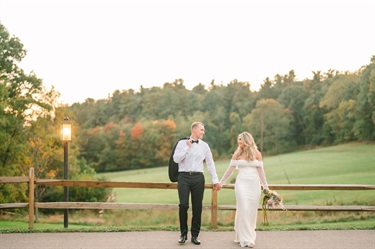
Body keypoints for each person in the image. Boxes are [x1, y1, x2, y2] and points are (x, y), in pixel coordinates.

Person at [173, 121, 222, 245]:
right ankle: (183, 234)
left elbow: (210, 164)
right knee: (183, 205)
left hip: (198, 178)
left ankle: (195, 235)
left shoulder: (205, 146)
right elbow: (176, 159)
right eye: (202, 130)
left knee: (197, 207)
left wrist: (215, 180)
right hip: (183, 177)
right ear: (194, 130)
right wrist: (187, 147)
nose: (203, 132)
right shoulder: (181, 143)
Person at [219, 132, 269, 248]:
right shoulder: (237, 154)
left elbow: (261, 172)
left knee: (251, 211)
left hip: (254, 185)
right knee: (243, 208)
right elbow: (230, 170)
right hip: (241, 184)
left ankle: (245, 234)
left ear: (247, 140)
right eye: (238, 140)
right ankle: (247, 239)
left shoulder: (257, 154)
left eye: (240, 139)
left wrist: (266, 187)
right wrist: (221, 183)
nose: (238, 142)